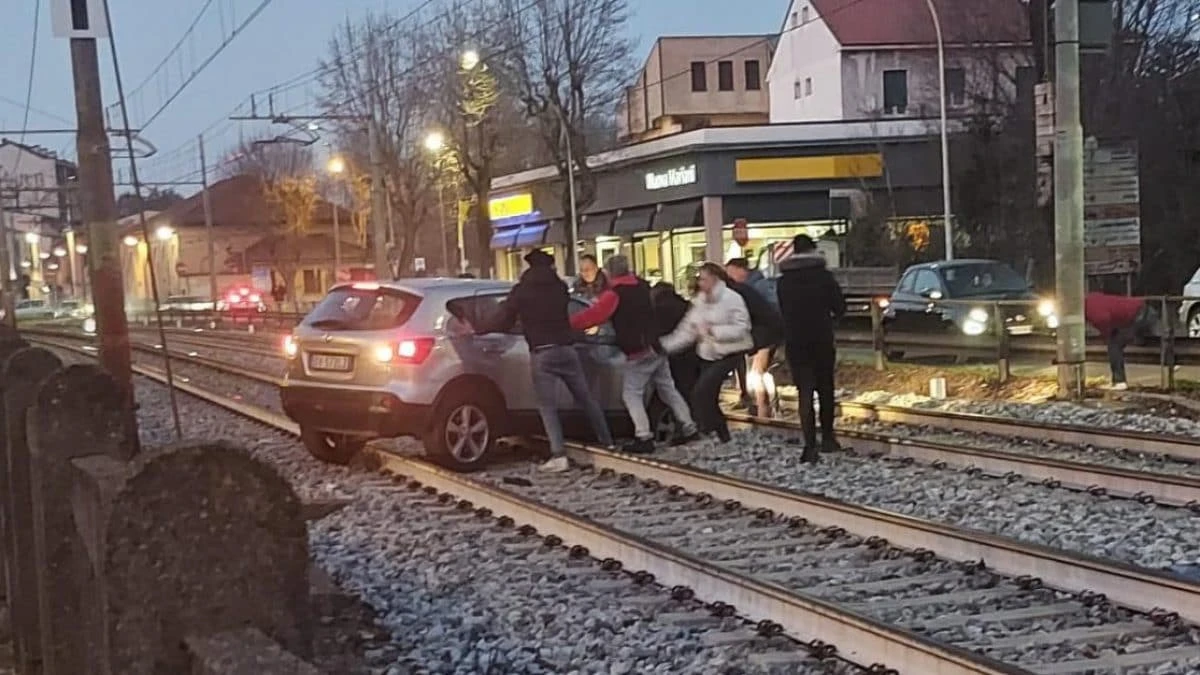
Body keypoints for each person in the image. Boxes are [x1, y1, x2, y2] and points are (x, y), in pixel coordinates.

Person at [474, 249, 614, 472]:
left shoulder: (522, 291)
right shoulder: (559, 288)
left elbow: (504, 318)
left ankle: (558, 455)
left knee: (547, 406)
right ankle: (608, 442)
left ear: (529, 267)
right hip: (567, 349)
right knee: (586, 397)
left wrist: (479, 328)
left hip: (542, 352)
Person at [569, 255, 700, 454]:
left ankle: (643, 436)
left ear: (609, 272)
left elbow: (595, 315)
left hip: (638, 351)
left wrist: (568, 323)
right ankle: (689, 427)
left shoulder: (615, 294)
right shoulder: (642, 286)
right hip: (656, 345)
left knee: (631, 394)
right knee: (668, 389)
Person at [659, 262, 753, 443]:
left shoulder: (732, 298)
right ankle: (722, 433)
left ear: (714, 279)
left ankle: (716, 431)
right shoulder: (700, 302)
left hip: (730, 352)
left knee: (702, 392)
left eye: (703, 279)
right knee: (707, 395)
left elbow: (743, 327)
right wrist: (665, 346)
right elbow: (687, 331)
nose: (700, 283)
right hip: (708, 353)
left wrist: (713, 331)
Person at [775, 235, 845, 463]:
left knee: (804, 392)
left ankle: (809, 445)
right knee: (825, 389)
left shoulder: (784, 281)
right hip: (821, 339)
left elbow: (783, 310)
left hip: (796, 341)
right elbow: (840, 307)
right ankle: (828, 438)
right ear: (813, 250)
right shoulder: (824, 277)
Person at [725, 258, 784, 418]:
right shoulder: (755, 285)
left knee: (757, 373)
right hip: (767, 332)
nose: (729, 275)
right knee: (760, 372)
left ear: (741, 270)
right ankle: (768, 407)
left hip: (763, 335)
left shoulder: (748, 288)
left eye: (730, 271)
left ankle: (766, 409)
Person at [1084, 290, 1157, 390]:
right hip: (1143, 312)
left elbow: (1104, 320)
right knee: (1116, 340)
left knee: (1114, 346)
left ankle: (1120, 381)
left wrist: (1106, 333)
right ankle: (1117, 380)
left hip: (1141, 317)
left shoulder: (1092, 311)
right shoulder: (1091, 299)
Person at [650, 282, 699, 403]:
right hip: (689, 353)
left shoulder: (653, 308)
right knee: (688, 387)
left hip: (664, 352)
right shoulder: (687, 306)